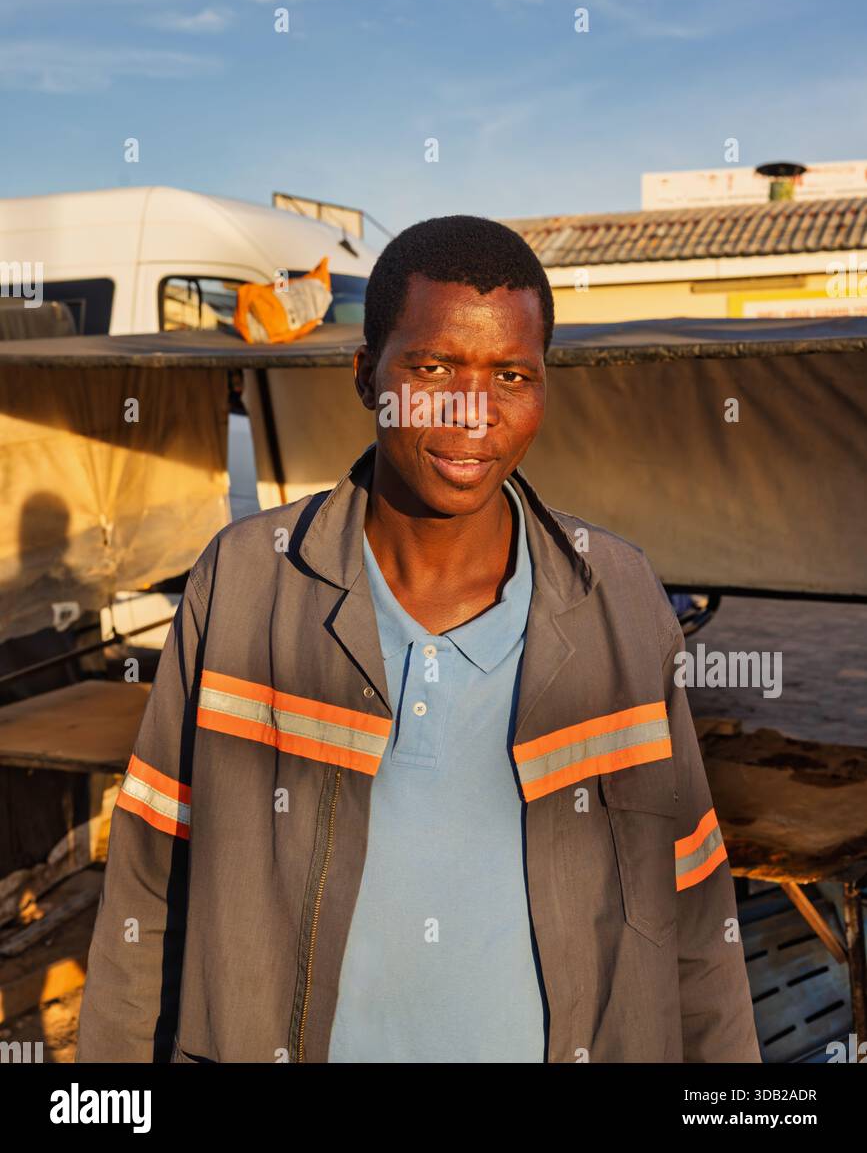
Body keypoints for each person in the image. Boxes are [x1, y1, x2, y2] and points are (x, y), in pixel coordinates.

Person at [76, 214, 760, 1064]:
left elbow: (691, 902)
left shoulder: (616, 597)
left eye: (512, 374)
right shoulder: (248, 582)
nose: (474, 413)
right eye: (433, 367)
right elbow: (149, 880)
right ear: (367, 376)